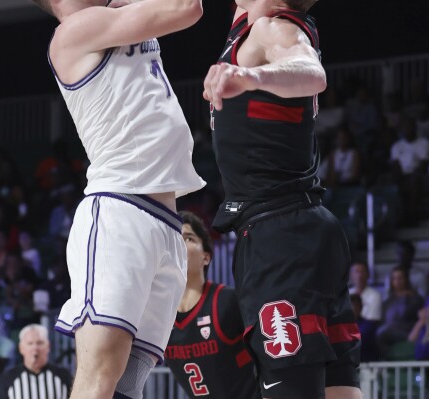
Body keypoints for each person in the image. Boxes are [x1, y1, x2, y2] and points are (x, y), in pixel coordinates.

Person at [29, 0, 206, 397]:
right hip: (120, 213)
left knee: (127, 386)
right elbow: (187, 7)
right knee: (99, 377)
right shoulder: (77, 30)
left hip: (163, 221)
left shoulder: (115, 17)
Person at [202, 0, 362, 397]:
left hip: (281, 239)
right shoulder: (248, 23)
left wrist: (248, 75)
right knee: (341, 389)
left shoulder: (273, 26)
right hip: (302, 226)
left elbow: (312, 71)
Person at [166, 211, 260, 398]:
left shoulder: (227, 301)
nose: (179, 243)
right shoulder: (159, 316)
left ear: (206, 257)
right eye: (174, 239)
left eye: (188, 238)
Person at [0, 324, 72, 399]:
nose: (35, 348)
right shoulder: (7, 378)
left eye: (40, 343)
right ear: (21, 348)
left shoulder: (63, 376)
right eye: (30, 343)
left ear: (48, 346)